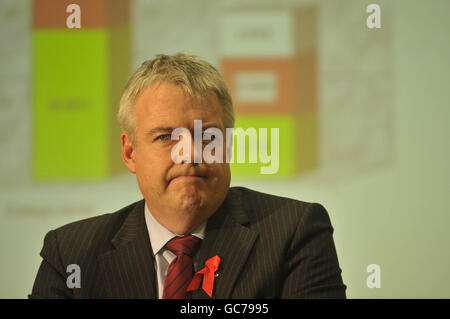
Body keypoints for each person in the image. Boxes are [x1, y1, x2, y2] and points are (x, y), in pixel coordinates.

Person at [29, 54, 346, 299]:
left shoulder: (294, 233)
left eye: (207, 136)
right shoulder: (71, 254)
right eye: (165, 137)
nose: (190, 154)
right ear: (130, 153)